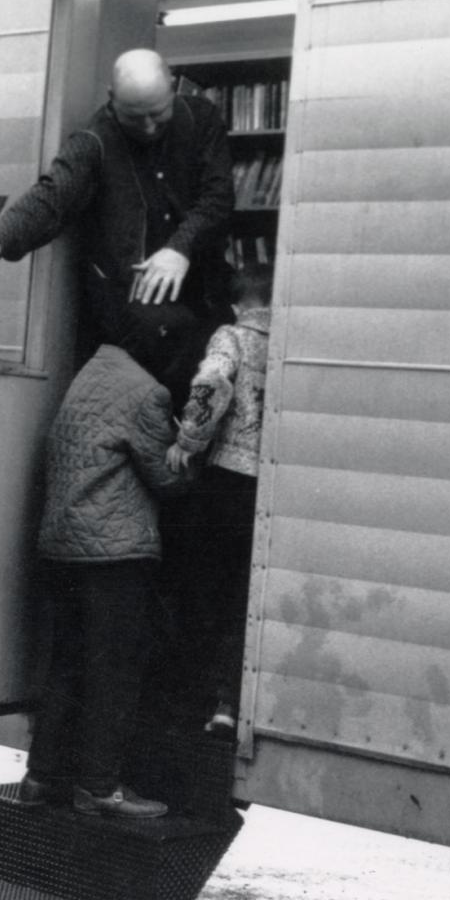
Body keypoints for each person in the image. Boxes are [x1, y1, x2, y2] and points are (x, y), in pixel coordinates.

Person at [20, 301, 197, 819]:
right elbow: (168, 480)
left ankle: (41, 777)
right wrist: (191, 454)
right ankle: (100, 787)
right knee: (114, 671)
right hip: (113, 555)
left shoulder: (92, 372)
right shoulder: (148, 393)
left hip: (63, 547)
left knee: (67, 664)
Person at [0, 49, 234, 338]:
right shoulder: (93, 140)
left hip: (207, 293)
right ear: (111, 96)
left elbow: (218, 197)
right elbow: (52, 197)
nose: (149, 128)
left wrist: (179, 248)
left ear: (172, 86)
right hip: (137, 315)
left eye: (158, 114)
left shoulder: (202, 118)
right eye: (135, 118)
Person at [162, 261, 272, 733]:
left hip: (227, 480)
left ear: (236, 303)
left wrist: (187, 441)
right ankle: (230, 702)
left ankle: (195, 700)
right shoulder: (287, 342)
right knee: (244, 597)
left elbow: (212, 383)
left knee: (207, 589)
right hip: (269, 487)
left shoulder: (231, 336)